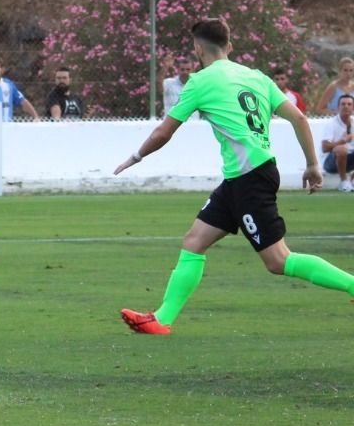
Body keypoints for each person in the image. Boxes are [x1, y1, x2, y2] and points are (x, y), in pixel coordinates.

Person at [115, 17, 354, 335]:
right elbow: (298, 117)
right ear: (229, 45)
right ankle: (162, 319)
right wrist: (312, 165)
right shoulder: (256, 76)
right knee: (194, 241)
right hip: (240, 178)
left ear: (197, 48)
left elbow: (165, 131)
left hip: (250, 178)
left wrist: (136, 156)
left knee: (278, 261)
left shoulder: (200, 81)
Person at [321, 94, 354, 192]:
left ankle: (352, 180)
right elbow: (324, 147)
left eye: (349, 104)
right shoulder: (331, 124)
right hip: (330, 163)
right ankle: (343, 182)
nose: (346, 106)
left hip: (349, 161)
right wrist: (342, 141)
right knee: (341, 149)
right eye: (343, 104)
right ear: (338, 107)